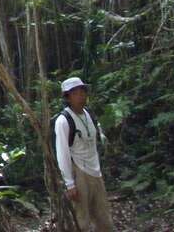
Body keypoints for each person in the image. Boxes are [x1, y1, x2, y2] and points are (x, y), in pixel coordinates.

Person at [55, 76, 114, 232]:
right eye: (75, 93)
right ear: (67, 97)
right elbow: (62, 153)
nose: (81, 96)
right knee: (82, 221)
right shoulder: (63, 121)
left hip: (95, 172)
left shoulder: (89, 114)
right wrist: (69, 183)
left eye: (82, 91)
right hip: (79, 172)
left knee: (104, 220)